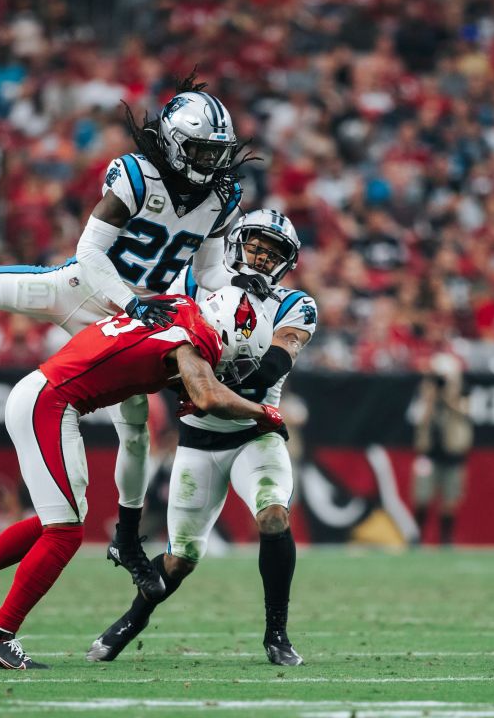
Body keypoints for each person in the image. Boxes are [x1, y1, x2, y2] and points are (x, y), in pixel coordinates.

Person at [0, 73, 275, 602]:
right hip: (83, 290)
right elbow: (90, 257)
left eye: (215, 152)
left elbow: (206, 275)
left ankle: (128, 537)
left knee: (136, 429)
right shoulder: (136, 176)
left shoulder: (221, 199)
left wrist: (234, 299)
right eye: (201, 151)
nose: (211, 163)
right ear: (178, 144)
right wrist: (133, 302)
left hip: (138, 322)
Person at [0, 286, 278, 670]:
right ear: (224, 331)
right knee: (65, 533)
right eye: (238, 354)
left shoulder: (178, 305)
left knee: (52, 523)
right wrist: (264, 413)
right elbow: (208, 397)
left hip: (41, 393)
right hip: (53, 403)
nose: (231, 365)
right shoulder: (192, 341)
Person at [86, 209, 317, 666]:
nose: (261, 256)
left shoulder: (296, 304)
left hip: (256, 432)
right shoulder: (190, 286)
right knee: (181, 558)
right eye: (254, 245)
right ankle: (132, 619)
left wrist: (210, 368)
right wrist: (187, 370)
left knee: (273, 516)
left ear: (285, 263)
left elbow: (274, 364)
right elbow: (162, 357)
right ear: (235, 243)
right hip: (198, 436)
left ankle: (277, 634)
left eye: (272, 254)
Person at [411, 352, 473, 546]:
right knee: (422, 496)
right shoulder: (424, 394)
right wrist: (429, 397)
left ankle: (446, 538)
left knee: (450, 500)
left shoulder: (462, 393)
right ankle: (418, 537)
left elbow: (466, 412)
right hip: (428, 454)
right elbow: (417, 419)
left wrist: (449, 395)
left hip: (453, 453)